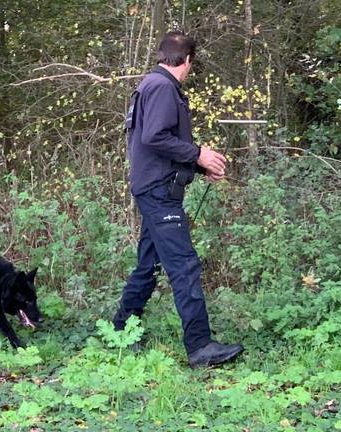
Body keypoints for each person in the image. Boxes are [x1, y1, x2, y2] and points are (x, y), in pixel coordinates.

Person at [113, 31, 244, 368]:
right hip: (159, 193)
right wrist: (199, 154)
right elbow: (154, 136)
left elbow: (160, 145)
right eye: (190, 65)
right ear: (187, 60)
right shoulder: (161, 88)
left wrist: (203, 166)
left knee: (149, 264)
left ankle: (120, 331)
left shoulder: (154, 86)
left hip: (157, 188)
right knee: (184, 266)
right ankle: (200, 347)